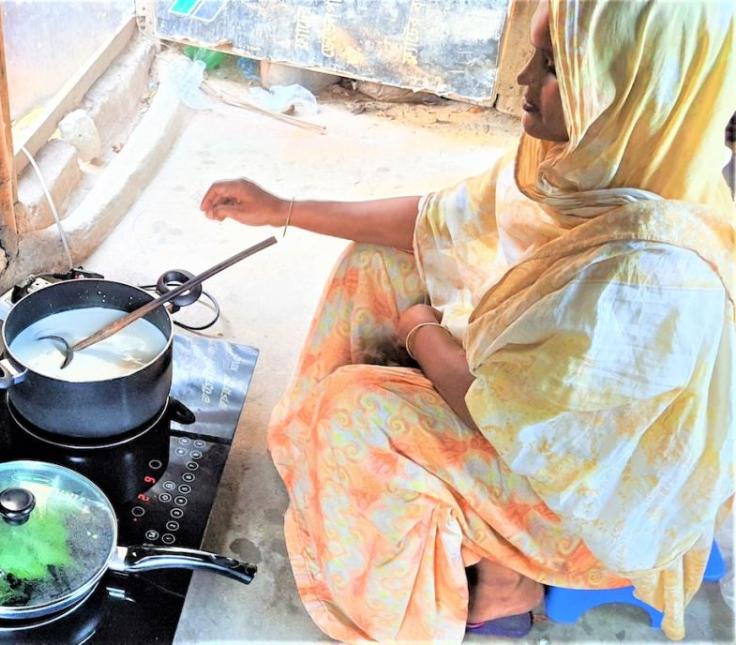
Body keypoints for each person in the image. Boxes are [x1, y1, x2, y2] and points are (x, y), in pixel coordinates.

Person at [199, 0, 735, 640]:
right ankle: (348, 489)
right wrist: (282, 208)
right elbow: (441, 223)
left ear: (629, 79)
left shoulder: (649, 270)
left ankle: (470, 594)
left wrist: (422, 332)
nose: (522, 81)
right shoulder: (591, 160)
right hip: (532, 411)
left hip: (584, 516)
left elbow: (506, 420)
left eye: (553, 65)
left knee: (355, 411)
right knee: (376, 263)